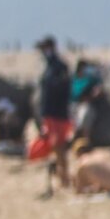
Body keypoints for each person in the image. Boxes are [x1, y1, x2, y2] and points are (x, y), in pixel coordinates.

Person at [34, 37, 75, 195]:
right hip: (50, 114)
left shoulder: (59, 67)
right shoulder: (50, 67)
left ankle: (64, 179)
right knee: (55, 148)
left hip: (59, 114)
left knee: (60, 148)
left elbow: (62, 89)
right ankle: (62, 178)